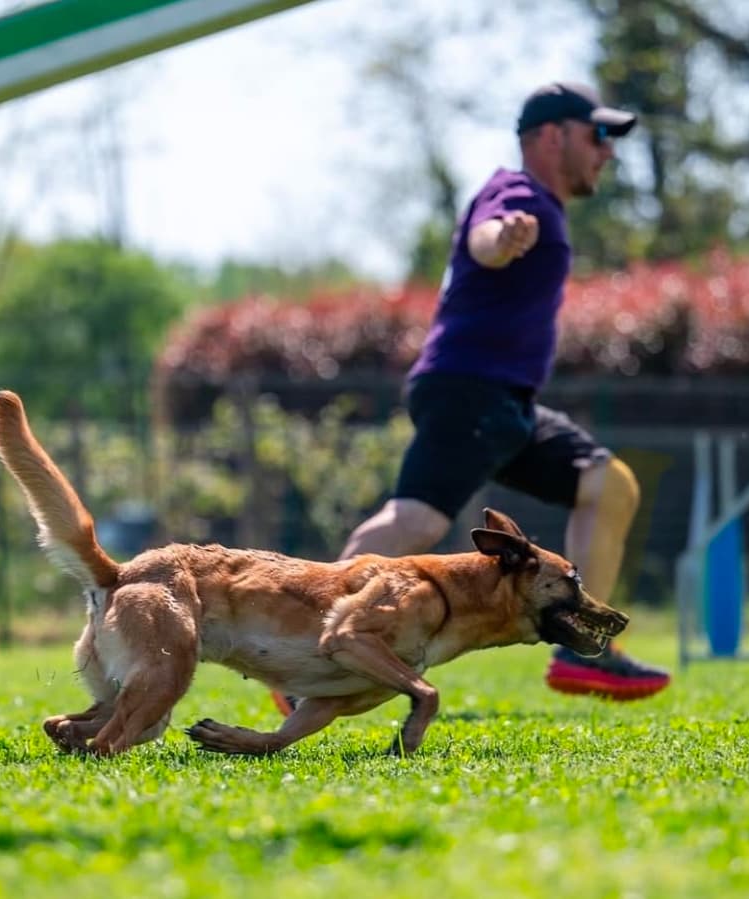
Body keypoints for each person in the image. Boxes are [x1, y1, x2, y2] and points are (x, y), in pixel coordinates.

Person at [272, 82, 669, 715]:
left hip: (507, 403)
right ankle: (301, 646)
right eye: (597, 136)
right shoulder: (517, 196)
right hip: (468, 389)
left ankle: (577, 649)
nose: (607, 153)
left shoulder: (546, 205)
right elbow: (488, 233)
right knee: (415, 524)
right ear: (551, 136)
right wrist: (502, 238)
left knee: (608, 483)